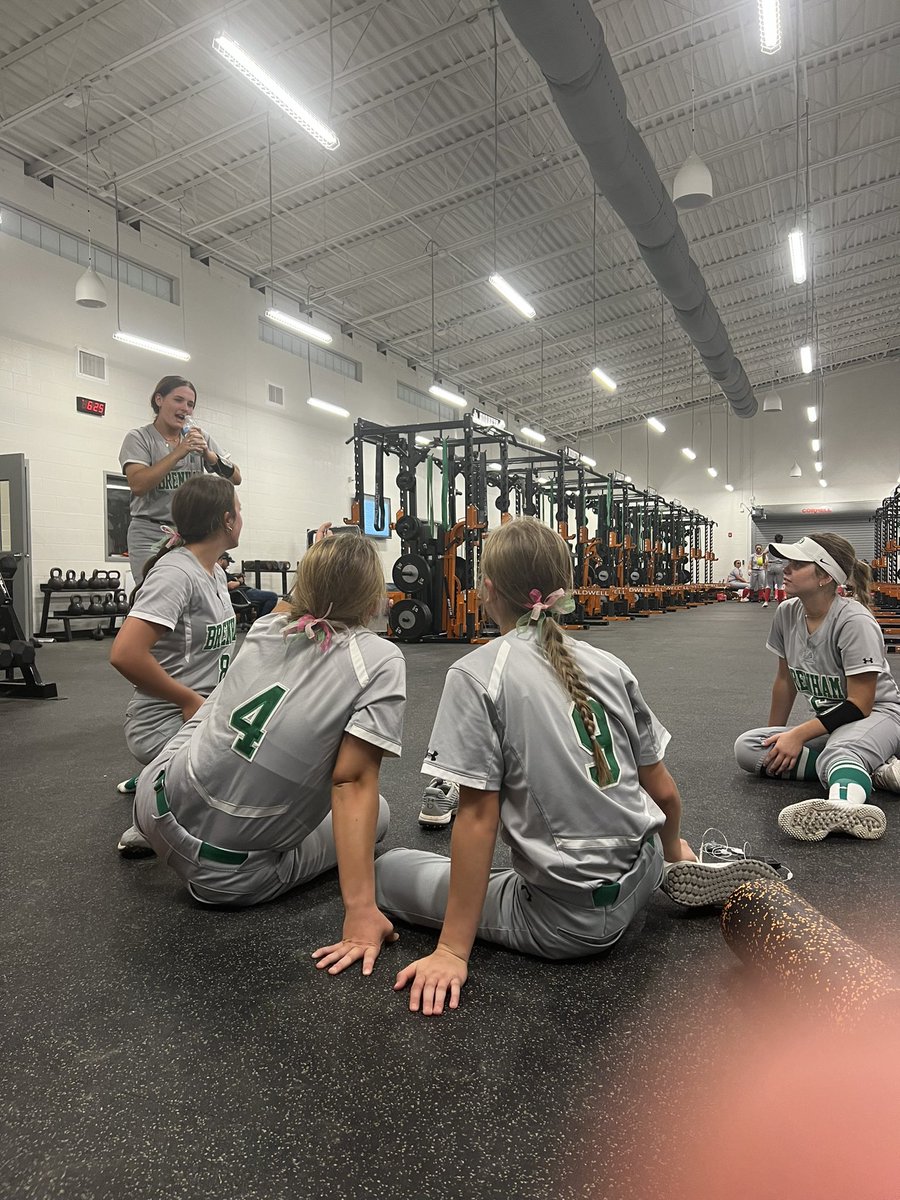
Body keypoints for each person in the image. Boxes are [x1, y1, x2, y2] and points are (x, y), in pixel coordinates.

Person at [375, 517, 787, 1016]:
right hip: (644, 866)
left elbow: (478, 820)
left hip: (571, 922)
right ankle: (667, 871)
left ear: (486, 589)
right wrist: (675, 848)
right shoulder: (609, 665)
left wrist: (450, 951)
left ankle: (542, 889)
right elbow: (663, 788)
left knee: (389, 870)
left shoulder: (477, 673)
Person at [130, 534, 406, 978]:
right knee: (379, 815)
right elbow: (352, 783)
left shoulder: (264, 627)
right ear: (375, 597)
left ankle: (161, 821)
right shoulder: (379, 659)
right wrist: (360, 912)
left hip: (153, 800)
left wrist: (320, 557)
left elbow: (295, 602)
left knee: (219, 705)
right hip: (226, 880)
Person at [734, 533, 900, 842]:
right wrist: (777, 737)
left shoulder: (854, 621)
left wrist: (798, 734)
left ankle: (843, 806)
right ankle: (868, 770)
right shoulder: (787, 613)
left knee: (841, 749)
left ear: (825, 575)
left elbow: (861, 704)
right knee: (748, 748)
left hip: (878, 716)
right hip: (835, 720)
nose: (786, 570)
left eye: (797, 565)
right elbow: (784, 682)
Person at [111, 475, 240, 851]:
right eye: (240, 510)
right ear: (227, 519)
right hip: (164, 720)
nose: (242, 517)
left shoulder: (213, 571)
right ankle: (153, 807)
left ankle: (164, 776)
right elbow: (124, 654)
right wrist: (186, 699)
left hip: (204, 714)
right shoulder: (176, 574)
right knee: (255, 769)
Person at [119, 376, 242, 585]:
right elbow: (138, 485)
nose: (185, 408)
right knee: (154, 591)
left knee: (191, 592)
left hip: (189, 533)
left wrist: (208, 455)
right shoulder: (139, 438)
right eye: (178, 400)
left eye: (190, 404)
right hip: (150, 532)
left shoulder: (199, 436)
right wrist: (180, 451)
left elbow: (236, 477)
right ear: (159, 399)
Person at [217, 553, 278, 621]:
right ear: (221, 560)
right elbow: (229, 586)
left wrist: (236, 576)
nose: (228, 564)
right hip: (243, 595)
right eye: (227, 562)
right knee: (273, 597)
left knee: (264, 599)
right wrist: (240, 581)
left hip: (244, 592)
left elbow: (229, 580)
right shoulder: (218, 573)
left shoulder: (222, 572)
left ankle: (257, 621)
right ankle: (260, 621)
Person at [764, 533, 787, 605]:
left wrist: (765, 561)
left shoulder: (770, 545)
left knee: (768, 584)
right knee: (780, 585)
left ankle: (766, 602)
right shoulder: (783, 546)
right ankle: (780, 603)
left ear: (774, 539)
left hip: (770, 565)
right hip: (779, 565)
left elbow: (764, 553)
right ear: (782, 540)